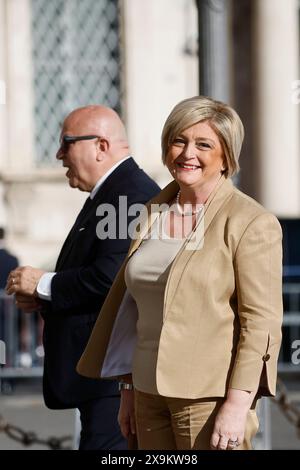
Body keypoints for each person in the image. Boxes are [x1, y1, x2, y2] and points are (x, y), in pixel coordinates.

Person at [76, 96, 283, 451]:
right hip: (146, 392)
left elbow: (260, 323)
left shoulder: (251, 222)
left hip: (208, 397)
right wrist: (127, 389)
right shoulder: (153, 211)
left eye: (204, 144)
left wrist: (236, 404)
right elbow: (134, 311)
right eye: (179, 140)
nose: (188, 153)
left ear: (226, 156)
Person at [5, 105, 160, 450]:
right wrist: (45, 294)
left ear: (100, 146)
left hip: (113, 377)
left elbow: (112, 276)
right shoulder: (112, 192)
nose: (59, 155)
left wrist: (44, 283)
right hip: (104, 377)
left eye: (67, 143)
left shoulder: (128, 194)